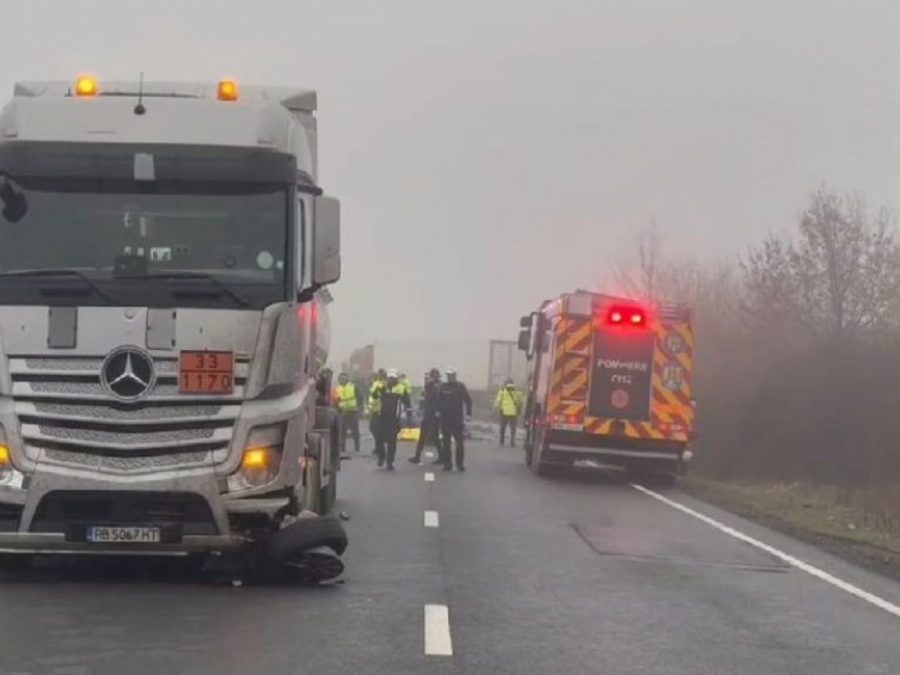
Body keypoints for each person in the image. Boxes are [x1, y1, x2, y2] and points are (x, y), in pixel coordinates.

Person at [370, 368, 412, 470]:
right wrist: (380, 389)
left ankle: (390, 461)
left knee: (392, 441)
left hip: (394, 419)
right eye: (390, 378)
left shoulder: (401, 388)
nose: (391, 380)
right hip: (381, 417)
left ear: (396, 378)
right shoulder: (382, 387)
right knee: (379, 439)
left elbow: (407, 401)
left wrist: (408, 413)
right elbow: (374, 396)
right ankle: (381, 456)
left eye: (393, 378)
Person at [437, 366, 472, 472]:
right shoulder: (442, 387)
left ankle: (459, 464)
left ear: (455, 376)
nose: (449, 377)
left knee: (459, 442)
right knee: (446, 443)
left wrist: (469, 414)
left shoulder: (460, 387)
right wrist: (437, 412)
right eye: (448, 375)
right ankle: (447, 464)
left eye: (451, 375)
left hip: (457, 419)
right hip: (445, 419)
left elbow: (468, 400)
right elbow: (438, 400)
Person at [409, 368, 442, 464]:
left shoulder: (439, 386)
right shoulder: (430, 385)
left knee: (434, 436)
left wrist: (439, 412)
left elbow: (439, 399)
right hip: (428, 413)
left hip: (434, 414)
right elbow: (426, 395)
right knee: (424, 435)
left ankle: (442, 456)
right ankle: (417, 456)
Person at [334, 372, 363, 453]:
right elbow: (335, 401)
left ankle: (357, 447)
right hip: (342, 412)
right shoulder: (337, 389)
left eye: (344, 378)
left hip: (353, 411)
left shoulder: (353, 387)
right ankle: (342, 447)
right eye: (341, 379)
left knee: (355, 430)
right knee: (342, 431)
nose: (342, 380)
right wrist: (337, 409)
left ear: (347, 379)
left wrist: (360, 408)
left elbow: (360, 397)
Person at [494, 378, 523, 447]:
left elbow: (498, 400)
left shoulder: (502, 391)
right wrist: (519, 409)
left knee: (502, 427)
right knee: (513, 429)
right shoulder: (517, 392)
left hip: (503, 412)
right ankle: (512, 442)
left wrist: (496, 407)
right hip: (513, 413)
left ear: (506, 384)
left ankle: (502, 441)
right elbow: (520, 402)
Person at [367, 369, 387, 456]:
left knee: (377, 431)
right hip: (374, 410)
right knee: (373, 429)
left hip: (380, 411)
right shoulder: (375, 383)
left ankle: (380, 448)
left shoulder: (383, 384)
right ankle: (378, 447)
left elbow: (377, 395)